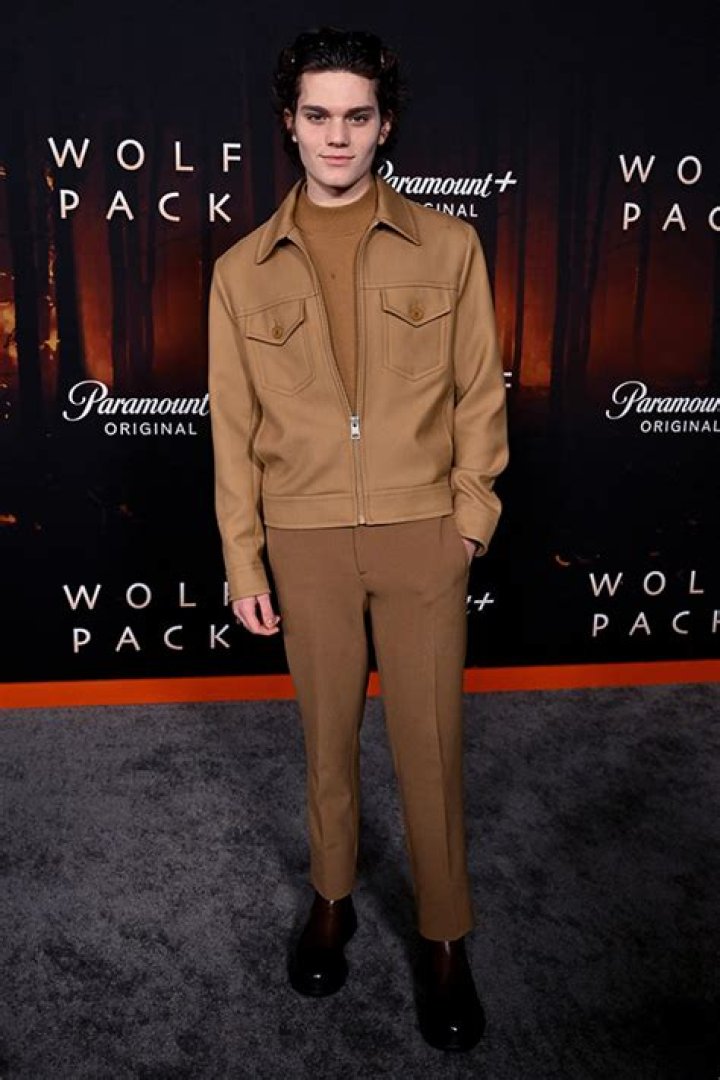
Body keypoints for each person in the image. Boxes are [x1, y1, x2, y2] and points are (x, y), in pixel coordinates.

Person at [208, 26, 509, 1052]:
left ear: (385, 126)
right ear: (290, 125)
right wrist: (244, 559)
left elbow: (479, 395)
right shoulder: (240, 271)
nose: (337, 135)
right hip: (304, 541)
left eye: (357, 116)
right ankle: (331, 899)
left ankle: (445, 936)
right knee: (325, 740)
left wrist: (468, 521)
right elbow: (232, 429)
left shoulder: (450, 247)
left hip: (425, 535)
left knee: (432, 748)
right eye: (318, 115)